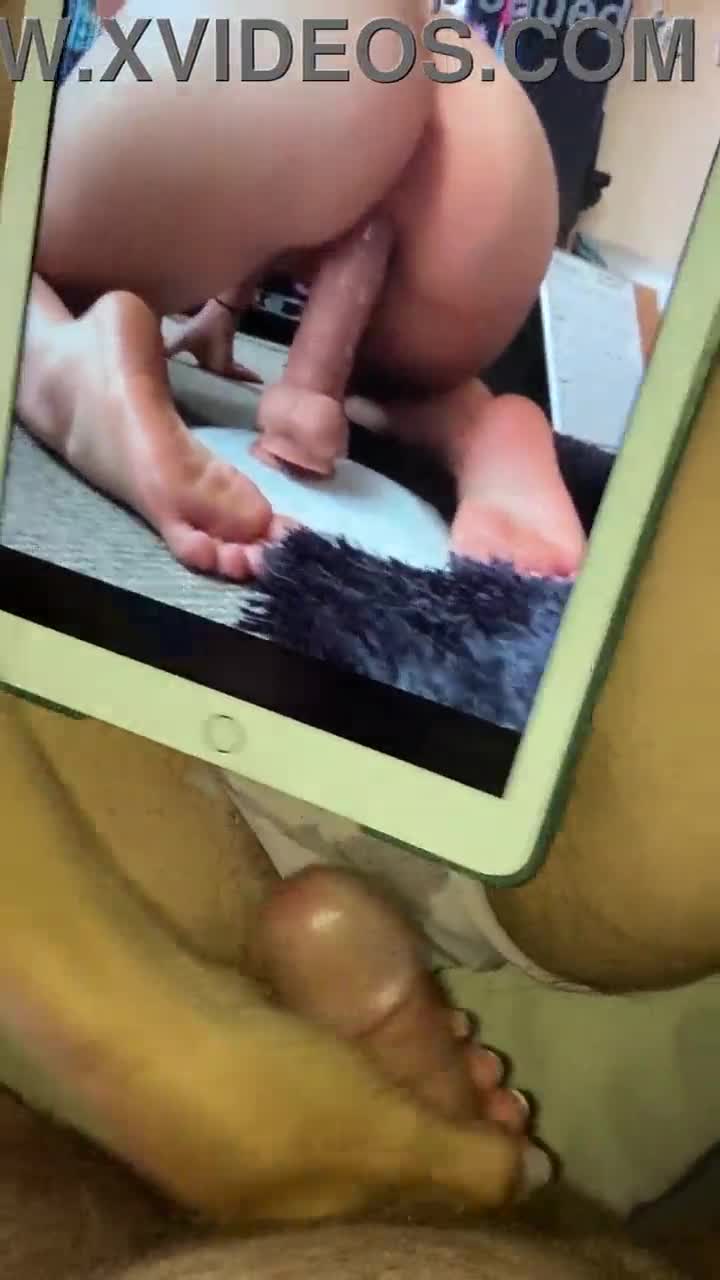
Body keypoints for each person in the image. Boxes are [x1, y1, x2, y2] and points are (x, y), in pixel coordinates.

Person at [18, 0, 585, 583]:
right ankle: (472, 427)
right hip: (490, 144)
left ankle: (55, 353)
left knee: (18, 242)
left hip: (303, 50)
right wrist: (226, 306)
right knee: (392, 381)